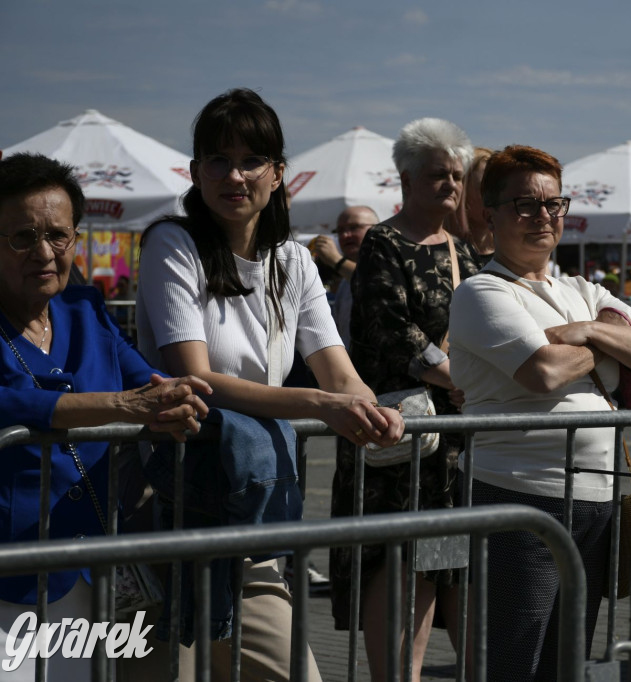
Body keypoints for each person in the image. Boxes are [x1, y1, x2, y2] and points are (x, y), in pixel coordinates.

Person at [135, 88, 403, 682]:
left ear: (278, 174)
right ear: (195, 170)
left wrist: (375, 408)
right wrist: (319, 403)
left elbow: (337, 367)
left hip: (253, 505)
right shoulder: (170, 244)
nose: (235, 175)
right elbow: (197, 377)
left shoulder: (294, 259)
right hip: (174, 505)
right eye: (218, 159)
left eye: (251, 160)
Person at [449, 145, 631, 680]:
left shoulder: (583, 291)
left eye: (553, 205)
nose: (543, 217)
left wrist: (590, 330)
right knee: (515, 658)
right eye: (524, 205)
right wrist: (612, 344)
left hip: (595, 496)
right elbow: (543, 371)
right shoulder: (481, 291)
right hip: (519, 495)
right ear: (490, 213)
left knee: (568, 656)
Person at [0, 153, 210, 681]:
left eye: (59, 236)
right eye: (23, 237)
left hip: (93, 566)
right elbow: (4, 402)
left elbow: (145, 383)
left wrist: (173, 399)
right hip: (9, 572)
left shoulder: (85, 309)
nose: (44, 253)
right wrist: (120, 408)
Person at [328, 117, 479, 681]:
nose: (450, 185)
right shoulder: (383, 243)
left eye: (458, 176)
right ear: (407, 180)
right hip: (393, 430)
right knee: (390, 560)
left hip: (450, 442)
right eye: (438, 175)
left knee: (436, 563)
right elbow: (392, 331)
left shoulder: (464, 250)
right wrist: (456, 378)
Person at [326, 205, 377, 348]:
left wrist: (335, 260)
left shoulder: (390, 266)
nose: (345, 235)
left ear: (377, 229)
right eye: (340, 230)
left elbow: (374, 282)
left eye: (354, 227)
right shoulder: (343, 282)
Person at [447, 146, 494, 264]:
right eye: (485, 188)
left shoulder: (514, 252)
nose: (497, 197)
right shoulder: (443, 253)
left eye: (502, 188)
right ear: (462, 194)